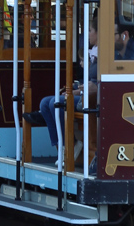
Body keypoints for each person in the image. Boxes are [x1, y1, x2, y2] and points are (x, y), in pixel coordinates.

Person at [37, 16, 98, 149]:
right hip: (85, 94)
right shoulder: (93, 51)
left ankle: (70, 145)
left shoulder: (101, 55)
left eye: (90, 30)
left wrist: (80, 92)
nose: (87, 34)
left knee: (56, 103)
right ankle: (59, 145)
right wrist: (79, 90)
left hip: (93, 98)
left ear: (98, 33)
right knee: (44, 103)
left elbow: (97, 85)